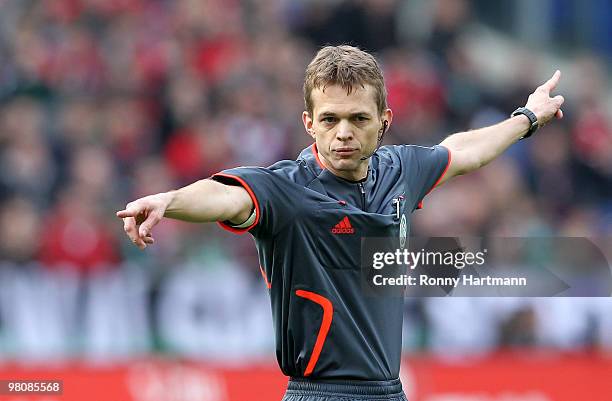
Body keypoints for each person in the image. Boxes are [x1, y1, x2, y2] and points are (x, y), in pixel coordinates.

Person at [117, 45, 564, 401]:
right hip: (319, 393)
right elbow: (226, 196)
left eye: (358, 119)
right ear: (309, 123)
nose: (343, 132)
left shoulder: (399, 172)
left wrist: (526, 119)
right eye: (329, 119)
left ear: (384, 122)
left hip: (390, 391)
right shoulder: (287, 191)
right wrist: (169, 200)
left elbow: (464, 151)